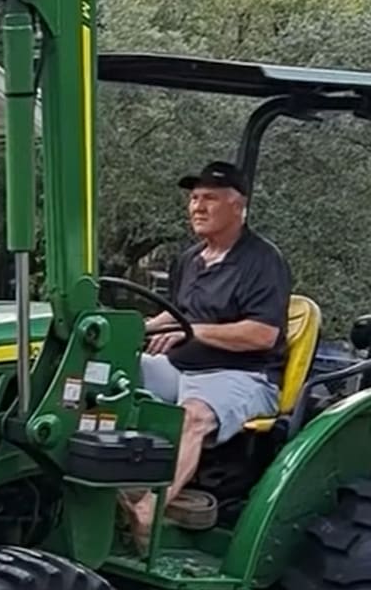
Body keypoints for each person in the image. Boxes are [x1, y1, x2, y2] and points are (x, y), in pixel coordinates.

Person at [120, 160, 290, 549]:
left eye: (209, 198)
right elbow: (177, 310)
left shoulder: (263, 261)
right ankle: (104, 479)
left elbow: (263, 335)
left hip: (242, 376)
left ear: (238, 206)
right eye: (194, 198)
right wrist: (136, 329)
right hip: (181, 368)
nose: (197, 206)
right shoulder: (191, 258)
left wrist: (189, 331)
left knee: (193, 415)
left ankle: (146, 515)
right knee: (106, 371)